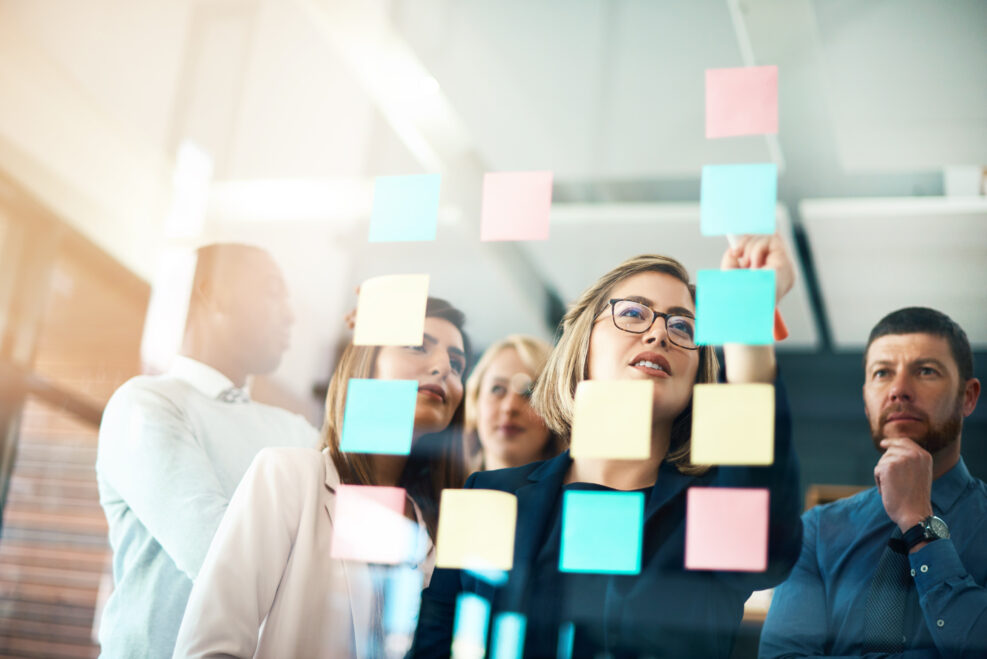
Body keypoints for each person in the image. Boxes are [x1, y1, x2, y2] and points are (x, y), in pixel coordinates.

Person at [410, 236, 804, 658]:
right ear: (584, 343)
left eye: (682, 326)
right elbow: (435, 645)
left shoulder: (708, 508)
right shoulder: (490, 496)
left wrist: (748, 320)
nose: (658, 333)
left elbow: (768, 547)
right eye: (633, 313)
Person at [173, 297, 472, 658]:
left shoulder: (440, 531)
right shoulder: (288, 478)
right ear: (367, 364)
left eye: (457, 363)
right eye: (417, 346)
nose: (443, 367)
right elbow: (210, 647)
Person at [94, 243, 319, 659]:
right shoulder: (145, 405)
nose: (290, 314)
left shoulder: (294, 430)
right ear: (210, 291)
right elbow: (221, 558)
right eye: (272, 291)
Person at [759, 307, 986, 659]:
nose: (898, 390)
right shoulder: (818, 530)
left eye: (926, 371)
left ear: (968, 397)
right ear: (866, 400)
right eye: (882, 373)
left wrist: (918, 522)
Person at [464, 334, 562, 472]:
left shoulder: (579, 492)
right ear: (475, 401)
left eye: (529, 393)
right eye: (497, 389)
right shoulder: (442, 489)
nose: (510, 407)